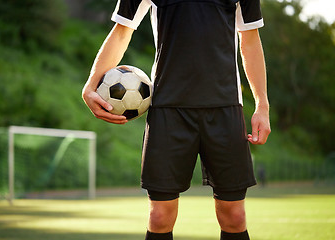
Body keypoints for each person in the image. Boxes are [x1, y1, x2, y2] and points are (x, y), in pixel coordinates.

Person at [82, 0, 271, 239]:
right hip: (167, 110)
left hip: (225, 108)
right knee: (159, 217)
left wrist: (262, 105)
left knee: (234, 217)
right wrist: (90, 86)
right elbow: (122, 32)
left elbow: (250, 40)